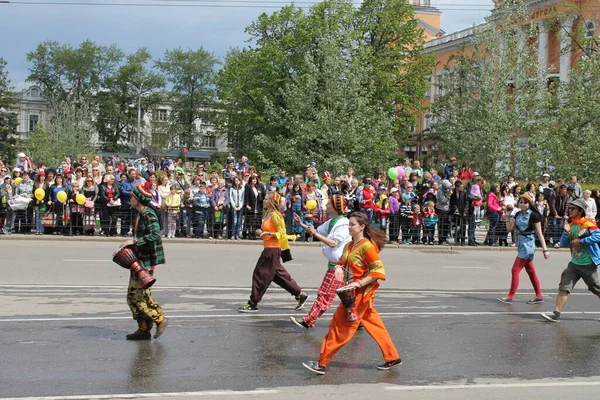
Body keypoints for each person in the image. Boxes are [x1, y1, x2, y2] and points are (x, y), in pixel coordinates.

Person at [302, 212, 401, 375]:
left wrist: (358, 283)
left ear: (362, 227)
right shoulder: (350, 245)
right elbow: (342, 262)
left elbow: (378, 270)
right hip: (351, 293)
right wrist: (340, 268)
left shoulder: (367, 246)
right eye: (349, 224)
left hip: (360, 295)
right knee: (374, 324)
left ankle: (322, 363)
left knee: (339, 327)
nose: (349, 227)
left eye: (352, 225)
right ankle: (392, 357)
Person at [238, 191, 309, 313]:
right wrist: (261, 232)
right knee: (278, 275)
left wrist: (270, 234)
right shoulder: (267, 213)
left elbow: (282, 233)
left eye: (266, 199)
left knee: (259, 274)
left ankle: (253, 303)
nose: (263, 201)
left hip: (272, 249)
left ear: (272, 202)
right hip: (269, 248)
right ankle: (299, 294)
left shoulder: (276, 215)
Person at [290, 195, 352, 330]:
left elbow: (333, 242)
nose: (326, 205)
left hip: (339, 266)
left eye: (329, 203)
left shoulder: (343, 224)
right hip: (337, 265)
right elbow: (316, 231)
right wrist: (301, 224)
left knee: (325, 294)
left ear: (335, 207)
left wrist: (315, 234)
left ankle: (308, 321)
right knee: (348, 297)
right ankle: (356, 320)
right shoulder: (332, 221)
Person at [541, 198, 600, 322]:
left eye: (572, 209)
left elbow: (598, 236)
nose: (570, 210)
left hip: (588, 264)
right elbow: (563, 243)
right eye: (570, 208)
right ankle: (556, 314)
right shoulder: (572, 225)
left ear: (580, 211)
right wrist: (565, 231)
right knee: (564, 287)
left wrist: (582, 241)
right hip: (574, 264)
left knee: (596, 288)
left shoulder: (588, 224)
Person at [125, 184, 169, 340]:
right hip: (139, 259)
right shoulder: (140, 213)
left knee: (140, 296)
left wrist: (135, 241)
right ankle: (143, 329)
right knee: (132, 295)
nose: (130, 199)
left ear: (138, 199)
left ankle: (159, 318)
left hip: (146, 260)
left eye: (132, 197)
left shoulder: (148, 214)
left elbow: (155, 235)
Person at [497, 194, 550, 304]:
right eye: (521, 202)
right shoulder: (517, 214)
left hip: (528, 245)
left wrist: (545, 250)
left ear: (529, 203)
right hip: (520, 244)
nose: (522, 204)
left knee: (515, 270)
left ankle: (510, 296)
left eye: (525, 202)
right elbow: (510, 229)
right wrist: (507, 216)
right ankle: (539, 295)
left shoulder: (534, 215)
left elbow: (540, 234)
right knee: (531, 271)